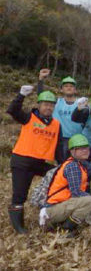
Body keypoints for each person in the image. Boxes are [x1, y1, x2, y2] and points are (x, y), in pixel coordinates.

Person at [7, 85, 63, 233]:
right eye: (46, 104)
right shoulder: (29, 117)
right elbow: (13, 110)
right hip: (22, 161)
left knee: (59, 176)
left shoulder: (56, 125)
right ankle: (19, 227)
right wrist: (21, 95)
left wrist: (64, 165)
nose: (48, 108)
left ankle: (52, 209)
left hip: (40, 163)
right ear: (39, 104)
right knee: (20, 194)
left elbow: (58, 147)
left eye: (51, 105)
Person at [40, 134, 91, 237]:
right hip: (53, 209)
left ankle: (62, 223)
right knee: (89, 201)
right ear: (72, 151)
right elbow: (76, 193)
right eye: (81, 148)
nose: (85, 150)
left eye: (86, 147)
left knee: (88, 203)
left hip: (60, 205)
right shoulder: (73, 166)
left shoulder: (81, 163)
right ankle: (66, 229)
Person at [38, 69, 82, 159]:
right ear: (61, 89)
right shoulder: (56, 102)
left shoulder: (81, 103)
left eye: (71, 86)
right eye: (66, 86)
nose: (69, 88)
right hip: (59, 138)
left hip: (77, 139)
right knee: (61, 164)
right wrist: (41, 80)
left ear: (75, 89)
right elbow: (41, 96)